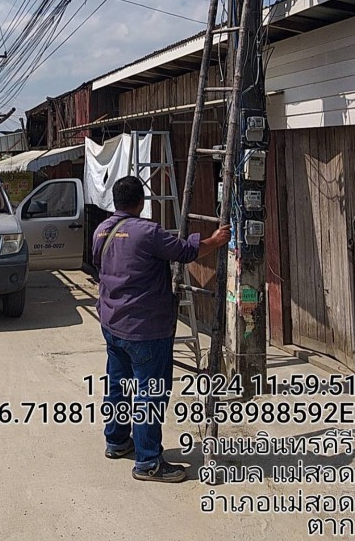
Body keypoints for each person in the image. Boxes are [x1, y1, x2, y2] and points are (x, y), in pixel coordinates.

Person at [92, 175, 230, 483]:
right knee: (149, 393)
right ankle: (148, 462)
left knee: (118, 385)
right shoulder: (148, 232)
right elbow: (187, 252)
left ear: (116, 201)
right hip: (145, 329)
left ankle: (116, 441)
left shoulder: (102, 230)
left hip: (112, 323)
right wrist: (215, 241)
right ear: (140, 202)